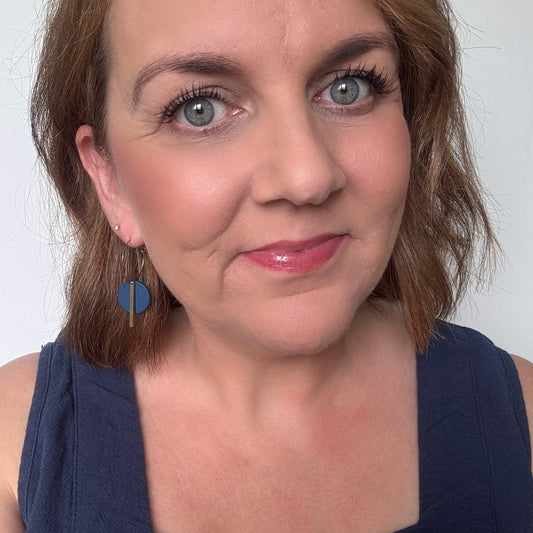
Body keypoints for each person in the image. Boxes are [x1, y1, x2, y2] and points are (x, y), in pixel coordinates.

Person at [1, 0, 532, 530]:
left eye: (348, 87)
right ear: (110, 179)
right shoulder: (14, 442)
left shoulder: (522, 415)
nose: (306, 178)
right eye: (200, 109)